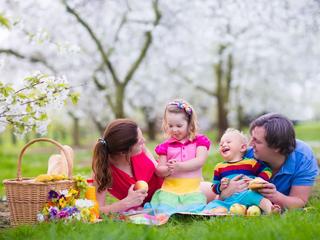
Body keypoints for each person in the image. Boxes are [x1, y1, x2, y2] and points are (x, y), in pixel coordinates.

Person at [221, 113, 319, 209]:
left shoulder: (303, 157)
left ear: (277, 147)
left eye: (257, 141)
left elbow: (299, 201)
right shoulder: (245, 155)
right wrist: (225, 193)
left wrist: (275, 196)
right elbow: (220, 196)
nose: (250, 144)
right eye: (252, 138)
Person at [146, 99, 211, 214]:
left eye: (179, 126)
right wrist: (167, 169)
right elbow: (159, 170)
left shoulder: (199, 141)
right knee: (164, 210)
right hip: (171, 189)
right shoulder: (165, 146)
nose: (174, 129)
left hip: (193, 189)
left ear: (189, 124)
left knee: (194, 210)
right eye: (170, 125)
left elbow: (200, 161)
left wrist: (180, 166)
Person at [92, 119, 163, 214]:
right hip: (148, 208)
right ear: (123, 152)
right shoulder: (102, 170)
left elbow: (156, 165)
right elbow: (96, 211)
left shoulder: (140, 148)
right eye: (140, 142)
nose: (144, 141)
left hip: (170, 191)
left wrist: (160, 168)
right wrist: (126, 203)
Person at [205, 128, 280, 214]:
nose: (223, 145)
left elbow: (267, 170)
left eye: (228, 142)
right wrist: (220, 186)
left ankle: (271, 210)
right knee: (214, 203)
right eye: (221, 144)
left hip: (247, 195)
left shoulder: (251, 163)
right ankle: (207, 212)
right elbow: (214, 187)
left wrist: (258, 180)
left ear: (243, 147)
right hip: (228, 199)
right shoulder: (219, 167)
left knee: (256, 197)